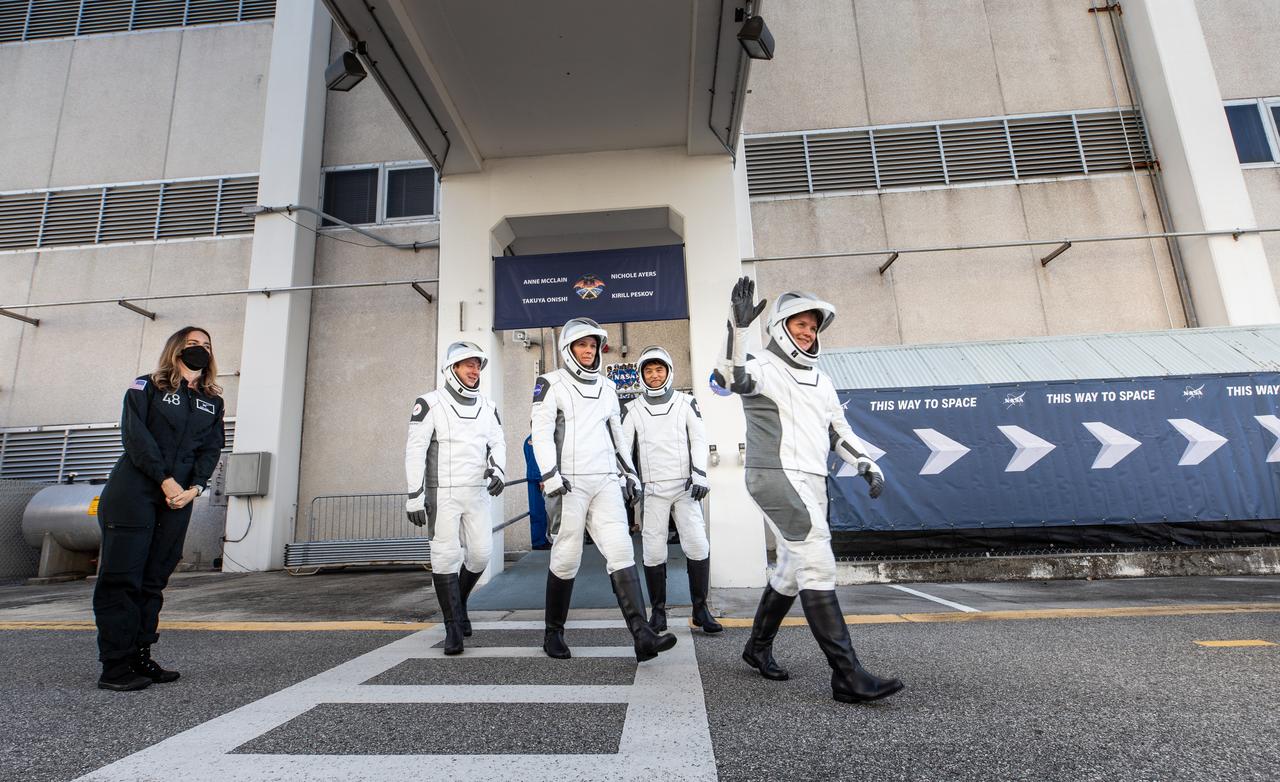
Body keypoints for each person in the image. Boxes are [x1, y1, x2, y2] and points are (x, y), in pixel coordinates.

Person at [714, 277, 904, 704]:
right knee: (816, 560)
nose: (807, 332)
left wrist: (866, 463)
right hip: (776, 474)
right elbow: (727, 379)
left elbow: (840, 431)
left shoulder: (822, 379)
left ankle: (756, 648)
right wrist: (736, 328)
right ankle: (847, 675)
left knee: (790, 567)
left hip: (813, 478)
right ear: (780, 326)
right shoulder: (761, 363)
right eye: (799, 323)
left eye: (813, 326)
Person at [530, 318, 677, 662]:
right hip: (569, 484)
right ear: (568, 349)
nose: (588, 351)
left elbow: (618, 436)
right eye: (582, 345)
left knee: (622, 552)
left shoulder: (609, 387)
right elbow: (540, 432)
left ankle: (642, 634)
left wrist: (629, 473)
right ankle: (553, 633)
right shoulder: (550, 384)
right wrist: (550, 475)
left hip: (606, 481)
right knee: (567, 558)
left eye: (593, 345)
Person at [93, 327, 226, 691]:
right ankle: (115, 665)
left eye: (207, 346)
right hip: (136, 490)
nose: (201, 350)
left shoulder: (211, 400)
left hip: (179, 498)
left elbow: (212, 448)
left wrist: (195, 487)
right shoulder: (146, 385)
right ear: (176, 348)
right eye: (193, 344)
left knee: (154, 579)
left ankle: (140, 655)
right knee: (123, 578)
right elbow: (137, 438)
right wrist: (165, 480)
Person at [404, 341, 506, 655]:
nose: (474, 371)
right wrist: (415, 495)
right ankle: (452, 627)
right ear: (452, 369)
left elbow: (497, 442)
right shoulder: (429, 402)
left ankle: (458, 604)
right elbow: (415, 450)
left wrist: (498, 470)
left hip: (477, 493)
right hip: (441, 494)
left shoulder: (488, 406)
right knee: (446, 557)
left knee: (480, 555)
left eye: (477, 365)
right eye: (467, 365)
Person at [620, 345, 722, 635]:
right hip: (652, 490)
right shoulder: (632, 408)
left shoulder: (686, 402)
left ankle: (701, 609)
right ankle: (659, 613)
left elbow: (699, 440)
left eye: (659, 369)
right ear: (641, 374)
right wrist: (628, 478)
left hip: (685, 488)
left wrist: (700, 474)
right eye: (648, 370)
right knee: (653, 552)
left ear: (668, 371)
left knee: (698, 545)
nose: (654, 375)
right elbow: (623, 448)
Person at [522, 434, 551, 549]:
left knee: (540, 512)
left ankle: (541, 539)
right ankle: (538, 542)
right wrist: (540, 479)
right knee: (538, 512)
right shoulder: (533, 440)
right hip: (537, 480)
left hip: (536, 479)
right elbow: (534, 461)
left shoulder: (530, 439)